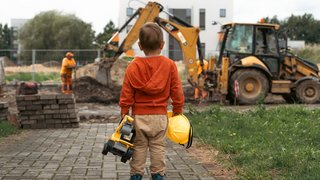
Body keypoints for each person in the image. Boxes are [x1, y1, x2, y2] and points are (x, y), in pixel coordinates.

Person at [119, 22, 184, 180]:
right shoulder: (170, 65)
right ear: (162, 45)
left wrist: (124, 112)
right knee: (158, 148)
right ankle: (158, 176)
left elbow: (126, 93)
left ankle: (136, 176)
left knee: (139, 147)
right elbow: (177, 92)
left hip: (139, 117)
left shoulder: (133, 66)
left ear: (140, 45)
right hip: (160, 117)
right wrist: (177, 112)